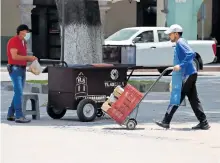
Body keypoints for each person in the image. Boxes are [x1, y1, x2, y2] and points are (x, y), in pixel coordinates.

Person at [155, 24, 210, 130]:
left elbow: (191, 54)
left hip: (189, 75)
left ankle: (166, 121)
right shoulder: (180, 42)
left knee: (177, 97)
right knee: (194, 99)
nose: (169, 36)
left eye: (170, 34)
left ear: (176, 34)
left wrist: (180, 66)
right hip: (190, 74)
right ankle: (204, 122)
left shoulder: (180, 42)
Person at [6, 24, 38, 123]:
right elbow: (14, 56)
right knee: (19, 92)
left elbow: (22, 57)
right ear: (21, 32)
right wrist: (29, 58)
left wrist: (32, 61)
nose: (28, 34)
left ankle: (10, 114)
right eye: (27, 31)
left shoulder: (23, 42)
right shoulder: (14, 41)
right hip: (15, 69)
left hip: (22, 69)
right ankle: (19, 116)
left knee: (18, 92)